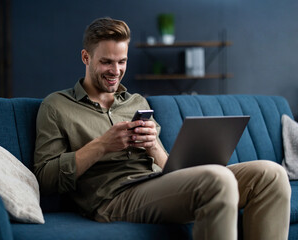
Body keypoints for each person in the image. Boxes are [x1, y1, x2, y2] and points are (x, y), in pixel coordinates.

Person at [34, 17, 291, 240]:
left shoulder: (137, 102)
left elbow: (167, 166)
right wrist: (102, 145)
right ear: (85, 57)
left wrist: (154, 146)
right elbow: (45, 178)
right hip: (112, 199)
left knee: (271, 175)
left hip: (157, 183)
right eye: (106, 62)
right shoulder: (56, 106)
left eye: (122, 61)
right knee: (217, 178)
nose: (116, 71)